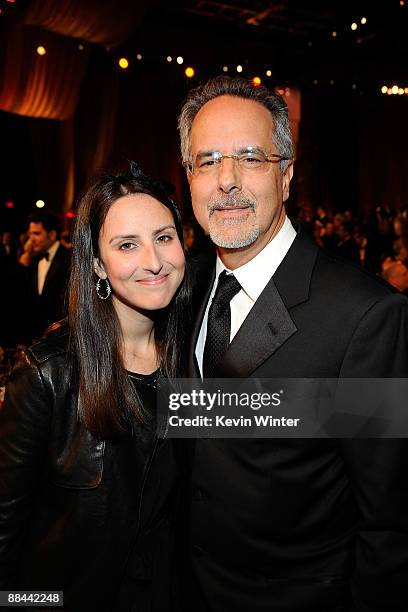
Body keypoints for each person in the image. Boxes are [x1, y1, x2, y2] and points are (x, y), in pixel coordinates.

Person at [177, 76, 408, 611]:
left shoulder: (365, 317)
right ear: (188, 179)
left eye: (251, 158)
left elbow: (391, 524)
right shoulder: (181, 294)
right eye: (206, 160)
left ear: (286, 176)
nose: (226, 180)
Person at [0, 162, 190, 611]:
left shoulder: (196, 358)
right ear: (98, 266)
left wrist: (383, 410)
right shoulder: (49, 372)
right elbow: (5, 528)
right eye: (127, 245)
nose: (154, 261)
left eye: (164, 237)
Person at [26, 210, 71, 340]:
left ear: (51, 234)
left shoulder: (69, 259)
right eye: (30, 234)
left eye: (37, 233)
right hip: (37, 337)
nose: (31, 239)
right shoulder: (34, 259)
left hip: (61, 339)